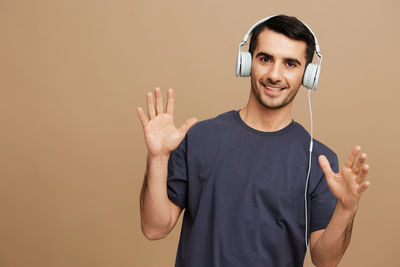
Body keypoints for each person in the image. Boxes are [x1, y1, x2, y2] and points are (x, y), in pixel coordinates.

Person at [138, 14, 370, 267]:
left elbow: (325, 260)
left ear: (308, 75)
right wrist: (158, 158)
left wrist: (346, 208)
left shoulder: (319, 161)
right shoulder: (199, 137)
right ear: (247, 63)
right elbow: (154, 228)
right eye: (265, 59)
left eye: (290, 64)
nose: (274, 74)